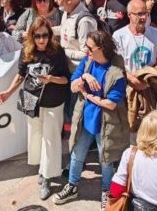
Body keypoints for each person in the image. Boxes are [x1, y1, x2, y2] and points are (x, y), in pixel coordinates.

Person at [0, 18, 70, 200]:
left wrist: (51, 79)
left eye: (45, 35)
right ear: (32, 36)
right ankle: (42, 168)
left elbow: (66, 80)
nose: (41, 40)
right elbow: (21, 75)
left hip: (53, 101)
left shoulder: (57, 52)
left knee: (51, 139)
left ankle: (47, 177)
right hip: (31, 100)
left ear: (50, 35)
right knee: (35, 136)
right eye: (37, 36)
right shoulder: (27, 50)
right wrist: (8, 93)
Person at [52, 31, 129, 206]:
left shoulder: (116, 71)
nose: (85, 50)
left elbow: (111, 104)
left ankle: (107, 192)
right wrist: (84, 76)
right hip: (85, 120)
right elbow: (73, 86)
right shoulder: (87, 62)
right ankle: (72, 186)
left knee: (106, 160)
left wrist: (87, 95)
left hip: (106, 123)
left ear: (101, 48)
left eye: (89, 47)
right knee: (77, 154)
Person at [56, 0, 98, 69]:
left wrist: (62, 52)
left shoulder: (84, 21)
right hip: (66, 66)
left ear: (69, 0)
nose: (55, 0)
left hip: (78, 70)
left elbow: (87, 53)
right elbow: (64, 29)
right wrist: (46, 29)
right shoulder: (67, 11)